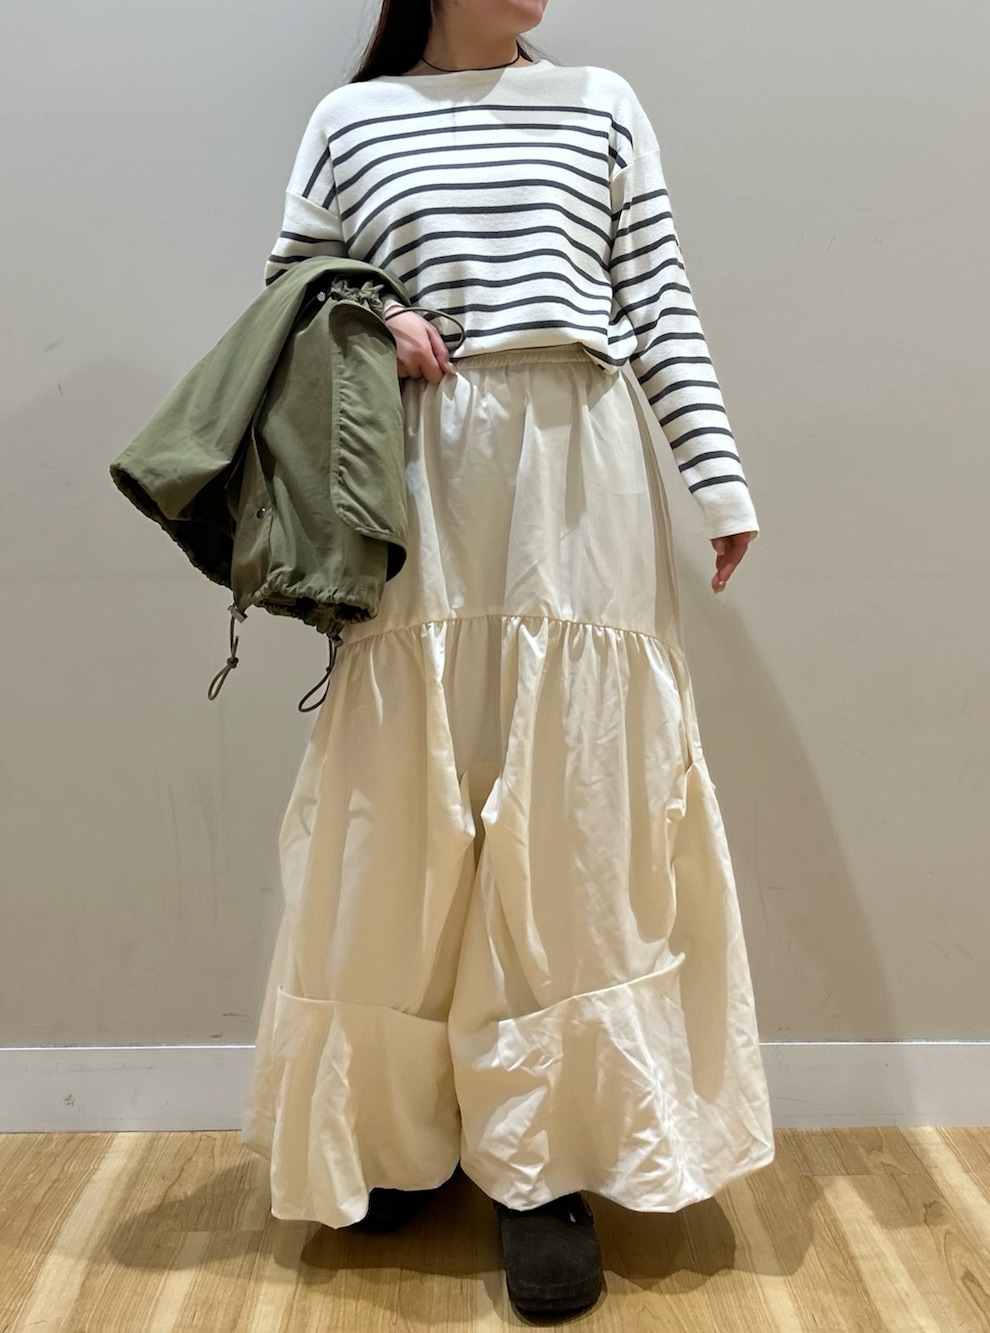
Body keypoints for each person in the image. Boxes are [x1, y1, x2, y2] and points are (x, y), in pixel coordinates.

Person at [240, 0, 775, 1318]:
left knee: (574, 810)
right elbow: (287, 303)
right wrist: (374, 321)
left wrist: (716, 478)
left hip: (581, 467)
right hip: (420, 470)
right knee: (402, 805)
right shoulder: (352, 120)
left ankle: (548, 1162)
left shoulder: (600, 103)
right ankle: (395, 1132)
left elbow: (658, 300)